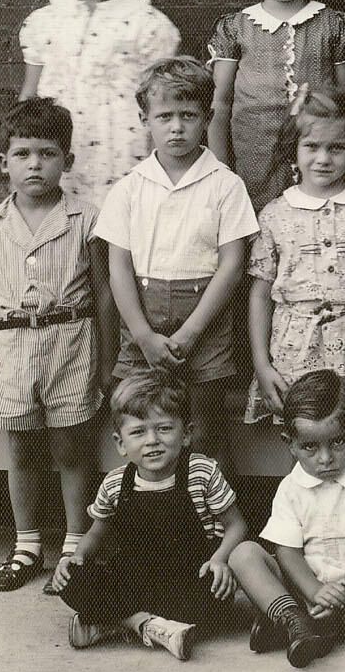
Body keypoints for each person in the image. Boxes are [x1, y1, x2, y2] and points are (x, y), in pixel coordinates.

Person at [0, 99, 114, 594]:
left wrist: (107, 364)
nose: (35, 165)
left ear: (66, 161)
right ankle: (26, 545)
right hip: (11, 350)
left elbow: (104, 296)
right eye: (22, 154)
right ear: (3, 162)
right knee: (22, 449)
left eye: (47, 154)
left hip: (71, 344)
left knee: (72, 448)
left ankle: (75, 547)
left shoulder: (86, 220)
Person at [96, 57, 257, 451]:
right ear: (144, 119)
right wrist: (142, 335)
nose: (176, 127)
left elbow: (232, 265)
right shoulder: (128, 189)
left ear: (208, 118)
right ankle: (150, 492)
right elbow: (119, 269)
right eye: (164, 116)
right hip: (143, 319)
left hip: (205, 318)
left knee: (204, 432)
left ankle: (207, 494)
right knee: (144, 423)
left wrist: (190, 332)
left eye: (188, 115)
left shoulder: (225, 185)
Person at [53, 369, 247, 661]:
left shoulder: (201, 472)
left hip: (186, 578)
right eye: (138, 432)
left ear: (186, 434)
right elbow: (96, 532)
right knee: (70, 579)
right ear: (120, 443)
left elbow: (237, 526)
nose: (152, 440)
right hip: (132, 581)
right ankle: (147, 625)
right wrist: (77, 556)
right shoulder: (116, 483)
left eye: (164, 428)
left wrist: (219, 559)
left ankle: (110, 622)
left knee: (218, 592)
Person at [229, 371, 345, 668]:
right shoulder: (290, 488)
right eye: (310, 447)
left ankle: (309, 627)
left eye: (338, 442)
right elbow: (287, 552)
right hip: (303, 586)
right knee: (243, 554)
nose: (326, 458)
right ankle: (292, 616)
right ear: (289, 444)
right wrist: (315, 591)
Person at [19, 0, 180, 210]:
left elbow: (162, 100)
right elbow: (29, 95)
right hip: (60, 144)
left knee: (120, 218)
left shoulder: (147, 23)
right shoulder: (46, 21)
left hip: (121, 146)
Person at [244, 86, 345, 423]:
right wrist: (262, 364)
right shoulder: (275, 214)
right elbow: (260, 295)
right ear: (293, 149)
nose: (323, 158)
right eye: (311, 146)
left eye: (336, 147)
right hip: (293, 352)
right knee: (303, 431)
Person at [207, 0, 345, 209]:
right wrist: (220, 171)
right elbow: (219, 105)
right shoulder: (236, 28)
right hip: (254, 155)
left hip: (319, 155)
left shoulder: (334, 25)